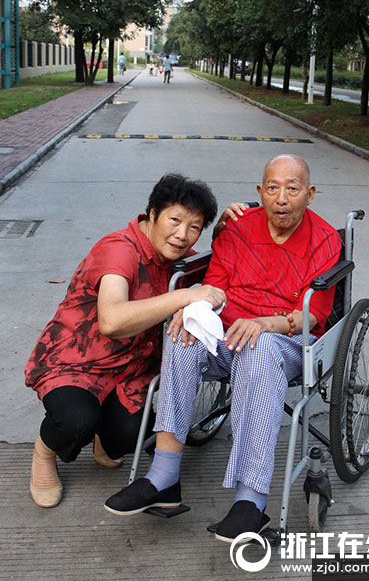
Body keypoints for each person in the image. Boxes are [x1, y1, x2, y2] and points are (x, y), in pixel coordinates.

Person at [104, 154, 342, 543]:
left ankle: (251, 501)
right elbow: (214, 285)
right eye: (272, 188)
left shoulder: (325, 239)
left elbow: (313, 314)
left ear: (310, 194)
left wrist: (267, 324)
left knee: (261, 349)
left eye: (292, 188)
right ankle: (164, 477)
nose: (281, 198)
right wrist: (193, 311)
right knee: (183, 334)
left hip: (284, 342)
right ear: (259, 193)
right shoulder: (237, 229)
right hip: (229, 335)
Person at [25, 173, 244, 509]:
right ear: (152, 213)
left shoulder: (174, 256)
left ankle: (105, 441)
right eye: (175, 220)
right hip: (77, 363)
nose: (182, 235)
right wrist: (183, 297)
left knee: (131, 436)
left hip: (130, 371)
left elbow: (210, 275)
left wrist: (222, 233)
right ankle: (45, 452)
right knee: (76, 422)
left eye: (195, 227)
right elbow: (112, 321)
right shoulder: (118, 250)